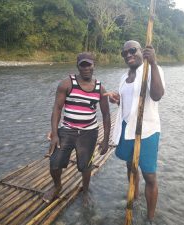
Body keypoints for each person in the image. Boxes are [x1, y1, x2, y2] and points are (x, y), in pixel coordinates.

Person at [104, 40, 165, 224]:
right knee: (131, 166)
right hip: (127, 128)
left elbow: (157, 95)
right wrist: (117, 100)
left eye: (132, 51)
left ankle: (150, 218)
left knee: (149, 175)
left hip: (146, 131)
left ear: (141, 51)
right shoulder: (124, 77)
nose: (129, 55)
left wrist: (153, 63)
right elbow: (128, 103)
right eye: (125, 53)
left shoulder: (151, 70)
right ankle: (134, 197)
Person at [43, 52, 111, 205]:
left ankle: (85, 191)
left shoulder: (100, 88)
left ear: (94, 65)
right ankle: (57, 186)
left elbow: (106, 115)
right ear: (78, 66)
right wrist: (55, 134)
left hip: (89, 133)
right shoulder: (67, 84)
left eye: (89, 65)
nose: (86, 68)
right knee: (54, 162)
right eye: (83, 65)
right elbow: (57, 109)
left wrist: (106, 140)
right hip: (67, 130)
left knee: (85, 166)